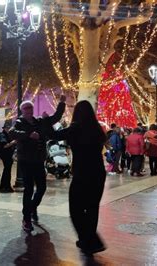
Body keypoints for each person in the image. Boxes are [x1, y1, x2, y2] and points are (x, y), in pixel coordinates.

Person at [52, 100, 107, 255]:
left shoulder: (75, 128)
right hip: (98, 172)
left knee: (75, 208)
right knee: (91, 208)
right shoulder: (97, 128)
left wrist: (55, 113)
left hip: (82, 173)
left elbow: (54, 135)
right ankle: (87, 241)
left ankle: (91, 240)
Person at [10, 96, 65, 232]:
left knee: (42, 188)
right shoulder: (19, 122)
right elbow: (11, 133)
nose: (29, 110)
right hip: (26, 160)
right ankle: (26, 218)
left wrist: (62, 103)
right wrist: (28, 134)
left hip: (39, 160)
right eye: (26, 108)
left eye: (30, 108)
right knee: (28, 189)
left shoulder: (39, 121)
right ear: (22, 110)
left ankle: (32, 207)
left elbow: (56, 118)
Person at [0, 122, 16, 192]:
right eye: (8, 128)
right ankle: (4, 186)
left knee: (7, 170)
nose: (9, 129)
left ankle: (6, 186)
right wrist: (13, 142)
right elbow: (4, 146)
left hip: (8, 155)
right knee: (7, 171)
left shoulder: (7, 134)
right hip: (5, 155)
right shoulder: (2, 135)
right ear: (5, 128)